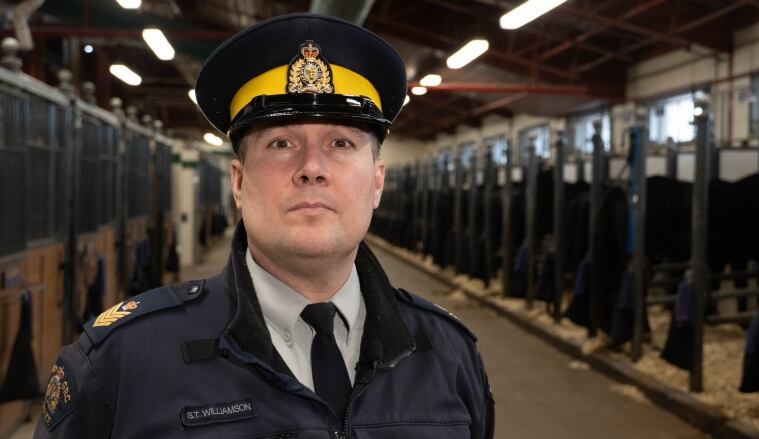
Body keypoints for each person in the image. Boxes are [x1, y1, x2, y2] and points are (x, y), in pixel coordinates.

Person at [34, 13, 494, 438]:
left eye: (340, 141)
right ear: (238, 181)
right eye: (280, 143)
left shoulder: (448, 355)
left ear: (377, 184)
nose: (312, 167)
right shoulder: (122, 362)